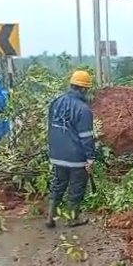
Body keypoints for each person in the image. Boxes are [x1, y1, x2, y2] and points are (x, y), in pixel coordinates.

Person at [45, 70, 96, 228]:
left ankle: (50, 216)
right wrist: (90, 158)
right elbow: (86, 136)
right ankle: (72, 218)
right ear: (84, 89)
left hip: (56, 154)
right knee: (76, 186)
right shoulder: (83, 109)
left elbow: (50, 127)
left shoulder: (56, 101)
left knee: (58, 184)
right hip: (75, 157)